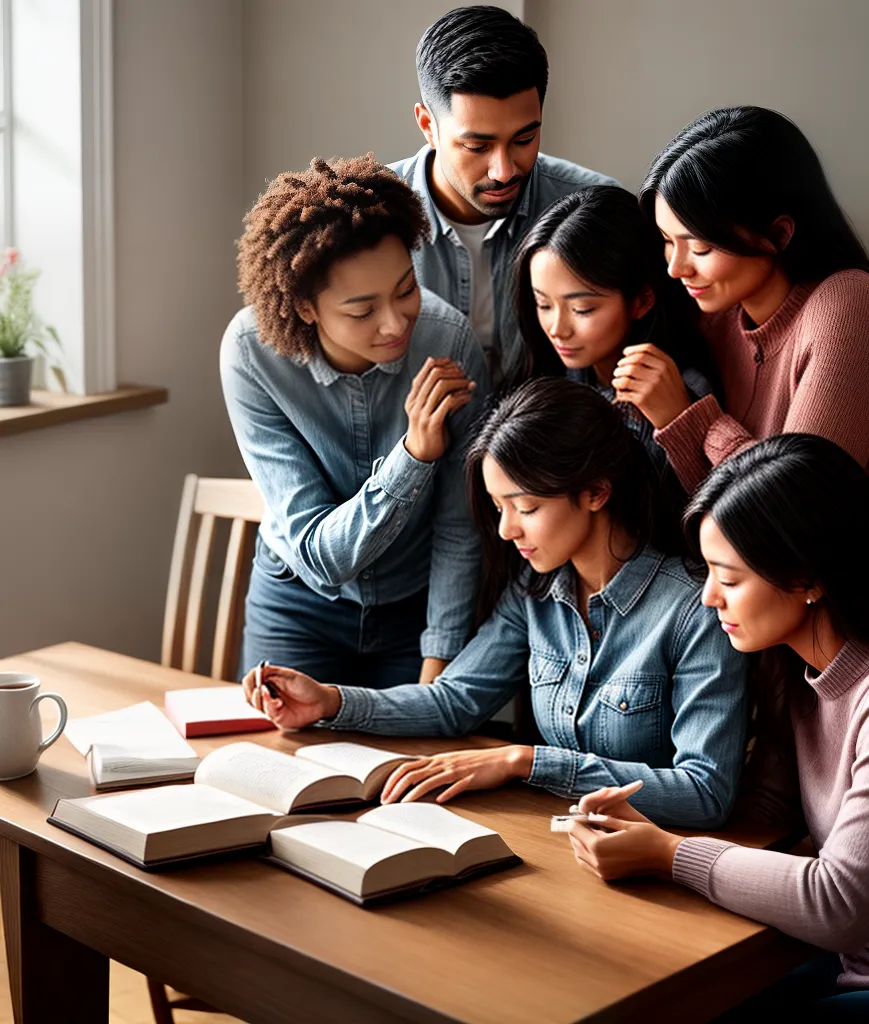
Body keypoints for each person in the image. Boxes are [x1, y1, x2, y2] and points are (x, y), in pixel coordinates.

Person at [566, 434, 869, 1024]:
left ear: (808, 577)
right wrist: (639, 823)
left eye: (728, 580)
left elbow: (840, 904)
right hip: (850, 962)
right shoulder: (799, 665)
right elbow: (766, 814)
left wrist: (668, 855)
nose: (708, 599)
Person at [242, 379, 750, 828]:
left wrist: (526, 762)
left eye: (525, 507)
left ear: (595, 492)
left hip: (658, 867)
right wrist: (329, 701)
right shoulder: (535, 590)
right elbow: (454, 701)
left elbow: (705, 794)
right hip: (554, 837)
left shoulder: (695, 607)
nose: (507, 530)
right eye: (499, 507)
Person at [616, 105, 869, 604]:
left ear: (779, 235)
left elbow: (790, 520)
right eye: (666, 242)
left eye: (697, 248)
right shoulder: (718, 315)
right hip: (783, 626)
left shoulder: (851, 308)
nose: (676, 268)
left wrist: (691, 419)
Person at [221, 154, 488, 687]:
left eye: (406, 289)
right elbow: (320, 556)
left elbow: (460, 526)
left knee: (405, 769)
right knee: (277, 761)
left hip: (414, 610)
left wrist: (438, 656)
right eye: (362, 311)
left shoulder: (449, 342)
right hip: (297, 607)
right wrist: (412, 457)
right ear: (304, 308)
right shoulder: (252, 354)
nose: (395, 323)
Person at [389, 5, 616, 388]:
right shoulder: (366, 219)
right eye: (477, 146)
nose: (505, 171)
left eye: (525, 139)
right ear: (428, 125)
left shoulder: (595, 209)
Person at [513, 184, 716, 468]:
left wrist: (675, 421)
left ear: (642, 300)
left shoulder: (683, 389)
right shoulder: (551, 372)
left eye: (582, 309)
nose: (557, 329)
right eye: (544, 304)